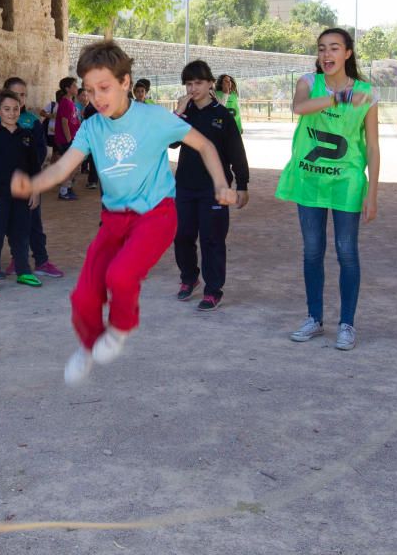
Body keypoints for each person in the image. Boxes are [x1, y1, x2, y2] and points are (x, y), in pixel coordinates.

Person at [12, 41, 236, 384]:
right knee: (84, 294)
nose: (96, 97)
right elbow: (63, 169)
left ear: (125, 82)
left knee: (120, 276)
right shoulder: (91, 127)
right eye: (89, 90)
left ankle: (118, 330)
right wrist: (34, 183)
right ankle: (89, 347)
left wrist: (221, 182)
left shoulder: (156, 118)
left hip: (156, 214)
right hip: (114, 220)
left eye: (104, 88)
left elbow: (204, 145)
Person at [276, 27, 380, 352]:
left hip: (346, 183)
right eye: (322, 49)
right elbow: (299, 108)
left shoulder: (366, 92)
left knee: (347, 251)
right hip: (309, 180)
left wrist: (372, 192)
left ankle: (346, 324)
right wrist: (338, 97)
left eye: (334, 48)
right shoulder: (309, 82)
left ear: (347, 53)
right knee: (312, 251)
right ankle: (314, 318)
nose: (327, 55)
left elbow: (374, 148)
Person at [172, 61, 250, 311]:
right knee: (182, 235)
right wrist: (179, 113)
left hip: (214, 189)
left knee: (212, 239)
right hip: (185, 186)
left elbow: (237, 152)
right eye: (188, 84)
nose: (193, 88)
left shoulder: (222, 115)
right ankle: (189, 278)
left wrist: (242, 183)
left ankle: (213, 289)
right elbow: (171, 143)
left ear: (209, 84)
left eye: (198, 83)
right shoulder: (185, 112)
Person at [0, 90, 43, 293]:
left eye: (15, 109)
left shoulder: (27, 136)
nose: (12, 113)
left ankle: (23, 271)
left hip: (22, 194)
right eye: (6, 109)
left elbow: (34, 167)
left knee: (21, 234)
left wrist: (35, 191)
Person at [1, 76, 64, 279]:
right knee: (12, 224)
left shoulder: (32, 122)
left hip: (29, 182)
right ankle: (17, 259)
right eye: (16, 94)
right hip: (5, 184)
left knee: (34, 222)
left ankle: (41, 260)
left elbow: (39, 152)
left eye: (23, 95)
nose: (20, 99)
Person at [55, 76, 81, 200]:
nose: (77, 88)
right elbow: (64, 122)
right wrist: (69, 140)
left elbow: (73, 121)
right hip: (67, 140)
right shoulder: (65, 102)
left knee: (75, 166)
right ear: (67, 89)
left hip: (73, 139)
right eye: (74, 86)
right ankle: (64, 190)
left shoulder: (71, 102)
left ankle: (67, 187)